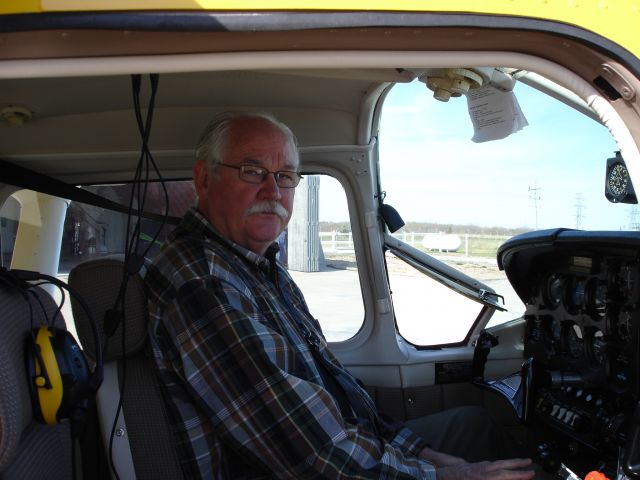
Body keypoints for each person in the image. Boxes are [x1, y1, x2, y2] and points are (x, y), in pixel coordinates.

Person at [146, 111, 535, 479]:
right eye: (252, 171)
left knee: (474, 425)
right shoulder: (204, 283)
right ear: (204, 180)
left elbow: (337, 389)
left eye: (285, 176)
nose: (273, 190)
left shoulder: (257, 267)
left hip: (338, 452)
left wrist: (420, 453)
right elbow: (314, 457)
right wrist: (447, 475)